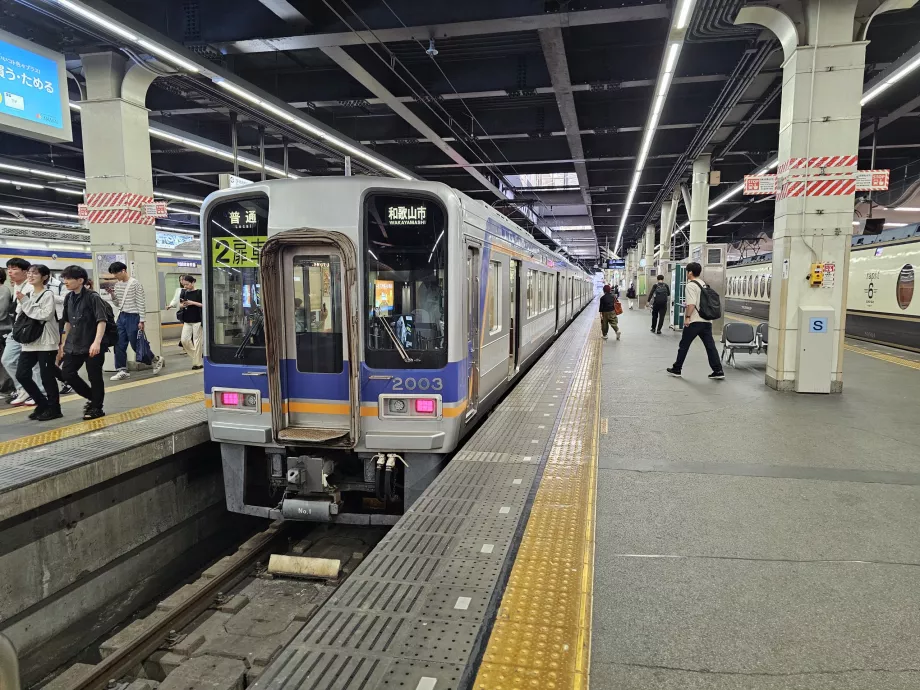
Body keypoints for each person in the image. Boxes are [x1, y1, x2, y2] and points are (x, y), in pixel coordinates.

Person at [58, 265, 109, 420]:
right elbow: (67, 322)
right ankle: (93, 398)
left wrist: (97, 343)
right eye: (64, 278)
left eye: (68, 278)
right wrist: (62, 344)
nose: (65, 281)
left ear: (80, 280)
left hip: (92, 344)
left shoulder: (93, 297)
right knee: (67, 373)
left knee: (95, 377)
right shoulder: (69, 297)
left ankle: (97, 408)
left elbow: (102, 321)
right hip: (74, 344)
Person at [14, 264, 62, 421]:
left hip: (46, 341)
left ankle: (54, 408)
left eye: (35, 273)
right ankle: (42, 404)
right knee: (22, 374)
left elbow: (45, 315)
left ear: (45, 277)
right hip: (29, 342)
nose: (30, 275)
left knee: (46, 376)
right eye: (29, 273)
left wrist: (25, 303)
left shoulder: (48, 294)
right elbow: (22, 316)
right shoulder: (28, 293)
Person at [106, 261, 164, 380]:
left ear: (123, 271)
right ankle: (121, 369)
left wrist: (142, 320)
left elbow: (140, 302)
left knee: (136, 344)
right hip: (122, 316)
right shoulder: (117, 285)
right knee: (119, 343)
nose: (115, 276)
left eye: (116, 274)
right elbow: (118, 304)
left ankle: (155, 359)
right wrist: (112, 295)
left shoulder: (135, 284)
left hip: (134, 316)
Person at [667, 262, 725, 380]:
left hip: (694, 321)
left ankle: (677, 368)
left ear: (690, 272)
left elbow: (692, 304)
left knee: (684, 345)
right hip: (706, 321)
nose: (687, 274)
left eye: (687, 271)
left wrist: (687, 317)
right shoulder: (703, 284)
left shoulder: (690, 285)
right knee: (710, 346)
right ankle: (718, 370)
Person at [2, 258, 44, 406]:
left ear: (25, 272)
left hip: (30, 329)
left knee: (34, 363)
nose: (10, 272)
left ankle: (39, 392)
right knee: (7, 359)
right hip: (17, 330)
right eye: (9, 269)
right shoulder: (16, 286)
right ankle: (24, 388)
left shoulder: (31, 288)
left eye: (14, 269)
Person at [175, 275, 203, 370]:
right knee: (184, 340)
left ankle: (197, 363)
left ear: (193, 283)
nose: (185, 286)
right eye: (184, 284)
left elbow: (203, 305)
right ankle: (196, 357)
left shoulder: (199, 292)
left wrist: (192, 303)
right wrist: (183, 305)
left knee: (197, 341)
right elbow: (180, 304)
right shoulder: (184, 292)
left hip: (197, 320)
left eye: (187, 284)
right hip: (187, 320)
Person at [0, 268, 13, 395]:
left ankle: (7, 385)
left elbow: (1, 312)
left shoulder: (3, 290)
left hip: (3, 329)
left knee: (5, 359)